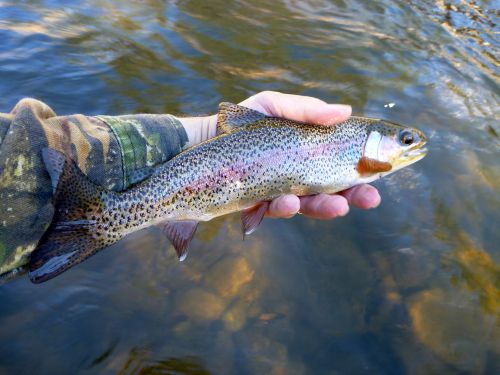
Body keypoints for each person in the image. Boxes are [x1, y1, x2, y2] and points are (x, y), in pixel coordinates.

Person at [0, 91, 380, 280]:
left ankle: (101, 219)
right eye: (407, 141)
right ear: (374, 141)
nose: (413, 146)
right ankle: (103, 220)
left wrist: (206, 130)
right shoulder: (355, 151)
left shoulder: (358, 160)